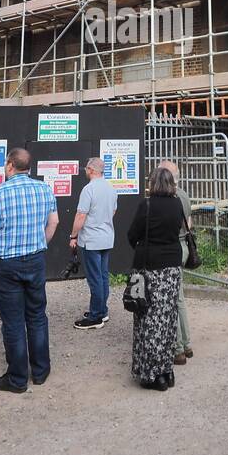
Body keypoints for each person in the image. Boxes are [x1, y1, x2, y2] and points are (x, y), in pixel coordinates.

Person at [0, 148, 58, 393]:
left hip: (6, 264)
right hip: (35, 260)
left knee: (12, 321)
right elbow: (54, 221)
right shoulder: (44, 189)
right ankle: (41, 371)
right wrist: (40, 244)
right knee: (36, 316)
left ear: (11, 165)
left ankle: (17, 379)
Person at [128, 166, 186, 391]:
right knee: (168, 318)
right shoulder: (177, 204)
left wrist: (144, 248)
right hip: (172, 267)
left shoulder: (147, 205)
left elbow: (132, 235)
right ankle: (166, 371)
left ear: (153, 183)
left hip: (150, 268)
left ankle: (152, 374)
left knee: (148, 319)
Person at [70, 157, 118, 330]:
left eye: (86, 168)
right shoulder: (111, 188)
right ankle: (102, 310)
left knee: (94, 278)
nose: (85, 171)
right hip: (107, 237)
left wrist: (73, 235)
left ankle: (96, 316)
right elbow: (113, 210)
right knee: (103, 275)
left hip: (91, 239)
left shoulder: (88, 189)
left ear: (91, 170)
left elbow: (81, 215)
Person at [158, 159, 194, 364]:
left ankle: (178, 347)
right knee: (179, 297)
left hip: (172, 248)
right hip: (183, 248)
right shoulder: (185, 196)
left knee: (174, 299)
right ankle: (186, 344)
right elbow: (188, 222)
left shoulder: (169, 197)